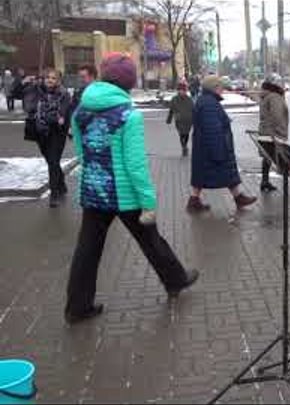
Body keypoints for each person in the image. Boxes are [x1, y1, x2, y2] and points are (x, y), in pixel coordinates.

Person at [65, 53, 199, 325]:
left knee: (87, 250)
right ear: (128, 82)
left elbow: (82, 153)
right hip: (125, 194)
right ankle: (176, 280)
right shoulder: (129, 115)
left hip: (94, 192)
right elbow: (136, 165)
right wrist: (148, 201)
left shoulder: (81, 110)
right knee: (151, 240)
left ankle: (77, 308)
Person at [187, 75, 257, 213]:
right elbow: (212, 129)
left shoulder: (206, 101)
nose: (222, 90)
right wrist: (218, 151)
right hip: (213, 148)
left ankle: (195, 200)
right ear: (214, 88)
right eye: (220, 87)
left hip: (205, 149)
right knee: (225, 174)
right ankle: (238, 198)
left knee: (205, 175)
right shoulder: (209, 104)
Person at [20, 69, 71, 207]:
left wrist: (62, 121)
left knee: (53, 161)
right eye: (47, 77)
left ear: (58, 81)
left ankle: (54, 195)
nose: (50, 80)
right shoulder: (36, 90)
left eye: (53, 78)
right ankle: (61, 183)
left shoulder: (64, 95)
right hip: (40, 132)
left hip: (57, 133)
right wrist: (23, 83)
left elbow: (63, 114)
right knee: (51, 161)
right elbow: (18, 95)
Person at [258, 73, 289, 193]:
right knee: (283, 159)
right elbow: (277, 116)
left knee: (267, 158)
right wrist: (279, 132)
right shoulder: (275, 97)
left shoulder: (266, 96)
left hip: (265, 133)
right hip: (274, 135)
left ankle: (264, 181)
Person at [166, 82, 193, 157]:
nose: (181, 91)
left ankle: (185, 145)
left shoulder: (189, 99)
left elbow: (194, 110)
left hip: (188, 120)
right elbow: (171, 109)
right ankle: (184, 147)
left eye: (183, 90)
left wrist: (195, 120)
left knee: (186, 134)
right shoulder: (174, 99)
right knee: (181, 134)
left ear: (185, 91)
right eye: (180, 90)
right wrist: (169, 119)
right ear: (178, 90)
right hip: (179, 120)